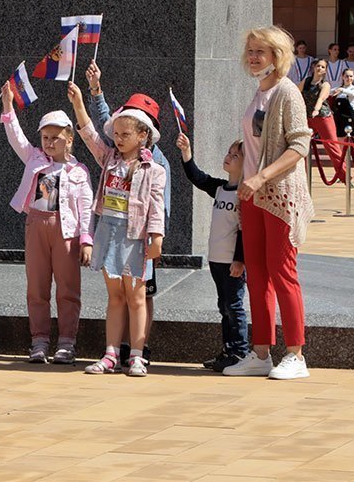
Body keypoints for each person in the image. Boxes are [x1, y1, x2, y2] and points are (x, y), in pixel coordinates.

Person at [223, 26, 313, 380]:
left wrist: (261, 176)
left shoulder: (287, 92)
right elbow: (260, 141)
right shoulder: (259, 91)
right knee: (257, 277)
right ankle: (261, 352)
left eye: (261, 51)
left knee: (282, 272)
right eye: (251, 51)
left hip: (278, 196)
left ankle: (295, 353)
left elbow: (299, 145)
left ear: (278, 56)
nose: (254, 57)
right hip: (252, 195)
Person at [67, 83, 166, 377]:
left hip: (135, 236)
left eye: (126, 135)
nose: (119, 139)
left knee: (136, 297)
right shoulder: (109, 159)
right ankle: (110, 354)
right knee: (115, 297)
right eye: (117, 134)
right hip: (108, 232)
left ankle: (136, 354)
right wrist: (79, 103)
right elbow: (88, 135)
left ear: (143, 136)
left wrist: (157, 238)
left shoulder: (154, 170)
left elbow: (156, 207)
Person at [0, 90, 93, 365]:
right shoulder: (35, 160)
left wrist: (86, 239)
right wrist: (8, 106)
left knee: (67, 288)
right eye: (45, 138)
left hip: (66, 232)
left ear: (70, 138)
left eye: (56, 137)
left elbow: (86, 207)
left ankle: (67, 342)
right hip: (36, 225)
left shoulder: (79, 171)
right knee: (37, 287)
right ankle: (39, 341)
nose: (50, 143)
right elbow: (16, 137)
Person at [175, 133, 248, 372]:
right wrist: (187, 154)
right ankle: (228, 350)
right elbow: (198, 178)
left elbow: (244, 231)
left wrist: (239, 260)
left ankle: (240, 351)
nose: (228, 157)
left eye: (235, 156)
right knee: (223, 306)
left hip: (231, 262)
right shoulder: (220, 188)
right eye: (229, 153)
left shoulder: (244, 195)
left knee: (233, 306)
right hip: (216, 260)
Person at [299, 59, 346, 183]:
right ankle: (301, 177)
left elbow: (321, 98)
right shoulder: (306, 81)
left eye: (323, 67)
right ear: (314, 67)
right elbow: (296, 93)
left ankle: (345, 176)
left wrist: (316, 110)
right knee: (301, 145)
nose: (320, 68)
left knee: (332, 146)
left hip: (323, 117)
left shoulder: (325, 84)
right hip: (307, 118)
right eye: (318, 66)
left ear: (325, 70)